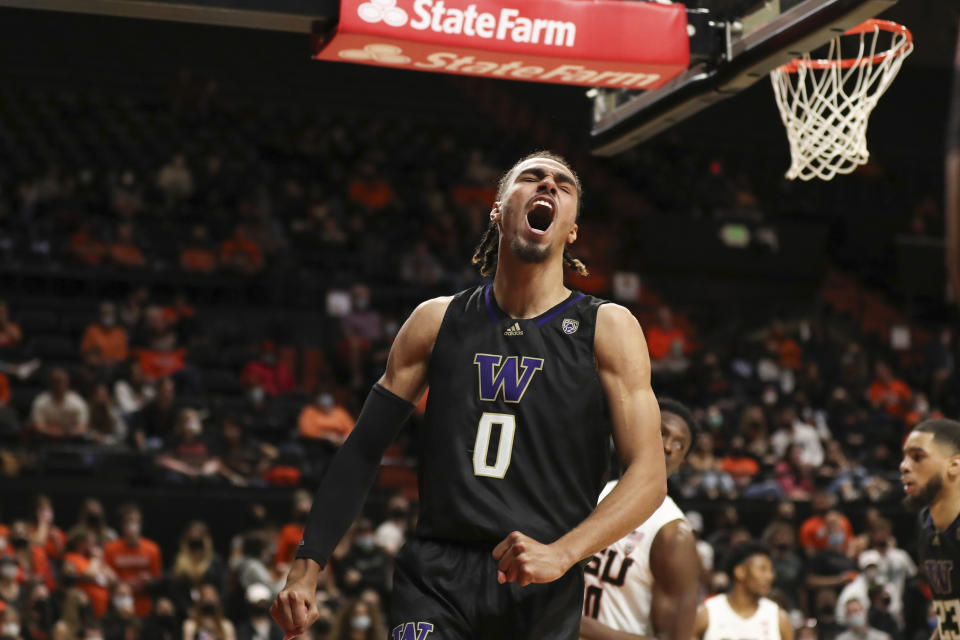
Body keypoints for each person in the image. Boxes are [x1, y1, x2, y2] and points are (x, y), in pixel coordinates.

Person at [271, 152, 666, 640]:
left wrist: (563, 552)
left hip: (540, 576)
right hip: (437, 574)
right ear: (498, 210)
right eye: (531, 177)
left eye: (563, 185)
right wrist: (308, 566)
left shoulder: (607, 328)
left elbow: (648, 476)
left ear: (572, 231)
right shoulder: (436, 321)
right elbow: (363, 448)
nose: (547, 185)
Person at [579, 397, 700, 640]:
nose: (668, 446)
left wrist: (580, 626)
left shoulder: (672, 533)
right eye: (662, 433)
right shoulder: (592, 493)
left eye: (679, 444)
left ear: (681, 462)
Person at [899, 418, 960, 639]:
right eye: (905, 456)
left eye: (917, 457)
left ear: (953, 465)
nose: (904, 465)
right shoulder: (926, 523)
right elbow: (951, 622)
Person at [691, 542, 793, 640]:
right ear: (740, 571)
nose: (770, 576)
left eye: (771, 570)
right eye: (762, 569)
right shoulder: (708, 613)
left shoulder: (778, 618)